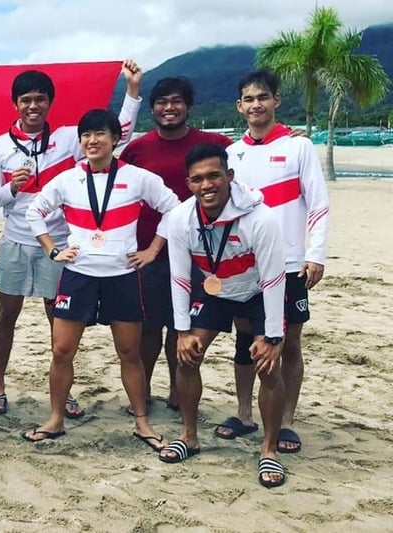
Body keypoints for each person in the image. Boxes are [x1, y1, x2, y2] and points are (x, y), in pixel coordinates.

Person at [0, 60, 143, 417]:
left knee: (58, 321)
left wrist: (132, 92)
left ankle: (64, 391)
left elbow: (118, 135)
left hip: (61, 244)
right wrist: (11, 187)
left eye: (40, 99)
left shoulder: (69, 138)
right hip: (15, 240)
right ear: (15, 104)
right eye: (25, 100)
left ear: (50, 102)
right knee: (6, 315)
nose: (33, 106)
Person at [23, 109, 178, 445]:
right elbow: (34, 210)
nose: (92, 141)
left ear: (115, 139)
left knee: (129, 353)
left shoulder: (137, 177)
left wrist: (152, 251)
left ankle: (141, 422)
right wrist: (53, 250)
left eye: (99, 134)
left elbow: (174, 208)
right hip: (78, 275)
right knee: (62, 351)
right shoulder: (67, 179)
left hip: (122, 277)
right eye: (86, 135)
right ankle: (55, 418)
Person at [163, 143, 287, 489]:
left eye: (214, 176)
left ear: (229, 176)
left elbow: (275, 278)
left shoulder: (261, 218)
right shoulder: (179, 219)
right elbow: (179, 277)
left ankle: (269, 448)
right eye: (197, 179)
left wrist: (273, 337)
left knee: (268, 366)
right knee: (186, 357)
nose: (207, 185)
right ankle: (189, 437)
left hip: (258, 291)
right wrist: (183, 330)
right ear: (188, 184)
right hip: (215, 291)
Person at [220, 69, 330, 452]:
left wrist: (315, 255)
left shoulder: (300, 147)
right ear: (239, 106)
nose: (256, 105)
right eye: (248, 99)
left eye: (262, 97)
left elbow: (317, 204)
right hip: (244, 267)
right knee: (245, 340)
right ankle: (245, 414)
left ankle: (286, 422)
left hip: (290, 264)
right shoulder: (232, 154)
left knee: (290, 344)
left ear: (276, 101)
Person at [119, 77, 232, 414]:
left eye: (176, 101)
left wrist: (288, 135)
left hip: (201, 252)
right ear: (152, 108)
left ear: (188, 106)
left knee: (182, 326)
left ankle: (178, 389)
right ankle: (145, 389)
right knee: (149, 328)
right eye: (162, 102)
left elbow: (254, 151)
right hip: (148, 251)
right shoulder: (138, 148)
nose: (169, 108)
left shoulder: (213, 143)